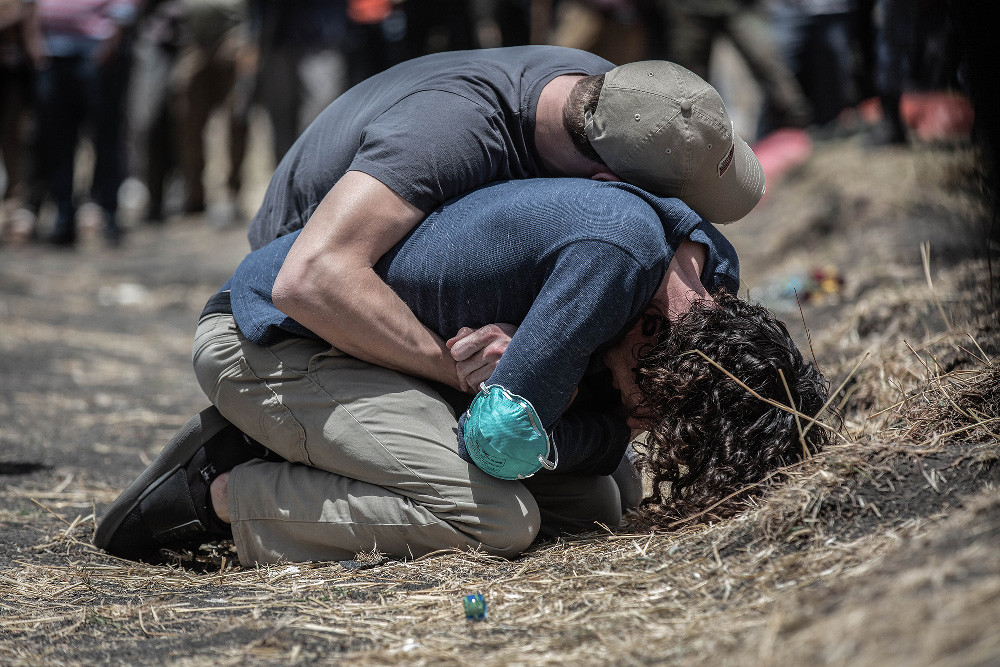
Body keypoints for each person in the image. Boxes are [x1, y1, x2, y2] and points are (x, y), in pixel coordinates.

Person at [95, 176, 830, 565]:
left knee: (599, 507)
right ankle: (228, 490)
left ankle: (323, 448)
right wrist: (586, 415)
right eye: (660, 404)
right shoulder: (617, 263)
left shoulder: (701, 277)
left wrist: (576, 408)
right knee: (500, 521)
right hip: (272, 337)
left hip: (385, 361)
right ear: (651, 334)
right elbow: (499, 440)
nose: (649, 423)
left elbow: (570, 432)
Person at [243, 47, 767, 403]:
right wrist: (463, 372)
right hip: (305, 272)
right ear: (609, 184)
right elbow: (312, 277)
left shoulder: (619, 101)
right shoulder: (447, 133)